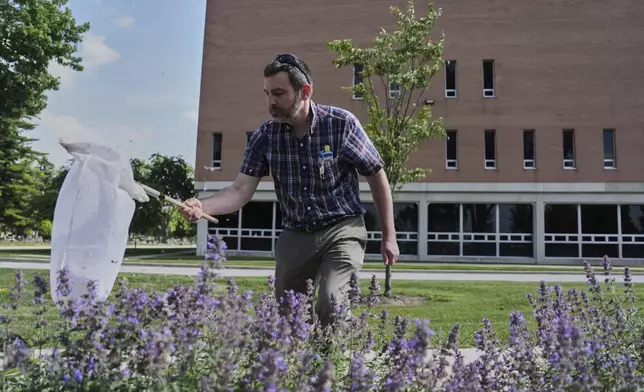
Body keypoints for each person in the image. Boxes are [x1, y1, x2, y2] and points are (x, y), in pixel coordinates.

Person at [180, 53, 399, 326]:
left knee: (331, 302)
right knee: (290, 318)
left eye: (279, 93)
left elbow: (376, 175)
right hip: (296, 233)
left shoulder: (341, 124)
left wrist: (389, 235)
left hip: (342, 229)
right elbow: (240, 190)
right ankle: (295, 367)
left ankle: (332, 364)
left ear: (304, 91)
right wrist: (203, 206)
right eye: (267, 93)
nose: (271, 101)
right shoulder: (264, 137)